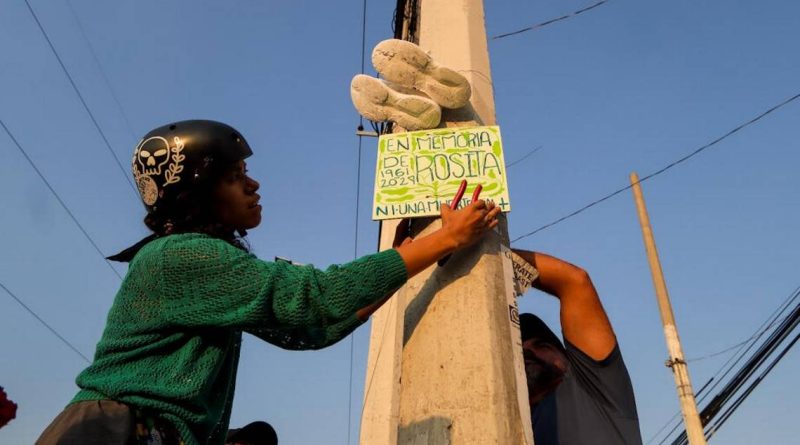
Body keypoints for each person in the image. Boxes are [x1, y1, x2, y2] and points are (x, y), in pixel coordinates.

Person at [36, 120, 500, 445]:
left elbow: (306, 328)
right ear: (198, 192)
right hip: (116, 433)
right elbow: (315, 301)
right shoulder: (182, 255)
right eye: (236, 176)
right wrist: (443, 240)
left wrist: (402, 259)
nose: (253, 185)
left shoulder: (194, 263)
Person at [512, 249, 643, 445]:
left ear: (567, 359)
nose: (528, 351)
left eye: (541, 345)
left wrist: (493, 252)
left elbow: (574, 282)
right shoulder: (508, 424)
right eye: (519, 350)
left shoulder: (594, 387)